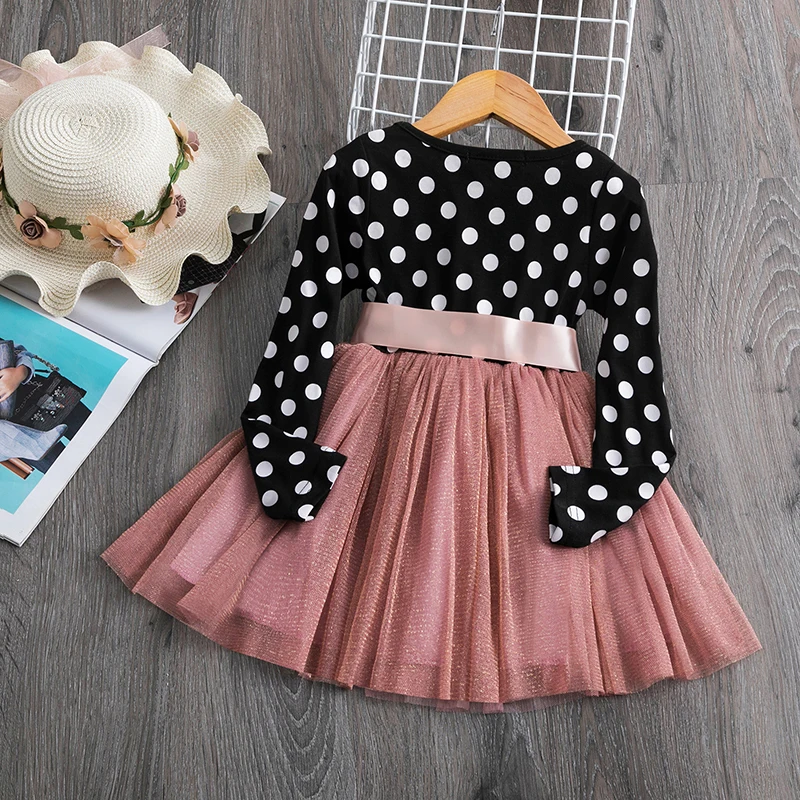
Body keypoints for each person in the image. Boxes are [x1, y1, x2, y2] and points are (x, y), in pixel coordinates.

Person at [0, 339, 67, 463]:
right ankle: (34, 444)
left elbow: (17, 351)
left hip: (41, 394)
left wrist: (20, 372)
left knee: (95, 429)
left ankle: (34, 445)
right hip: (18, 432)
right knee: (68, 466)